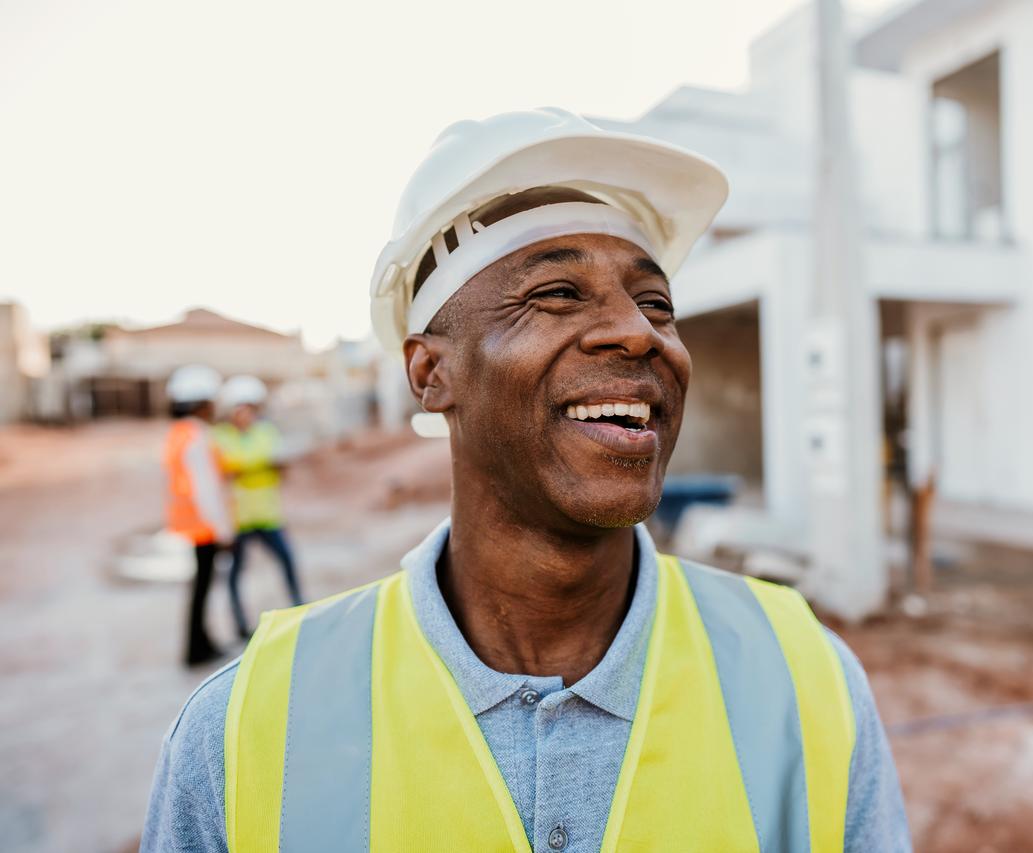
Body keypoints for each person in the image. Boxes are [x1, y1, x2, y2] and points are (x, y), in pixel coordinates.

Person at [143, 108, 911, 852]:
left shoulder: (806, 677)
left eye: (656, 303)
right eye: (558, 293)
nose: (639, 332)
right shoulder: (243, 733)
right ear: (430, 370)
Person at [212, 375, 303, 639]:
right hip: (238, 518)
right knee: (234, 573)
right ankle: (240, 624)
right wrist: (259, 463)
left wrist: (245, 466)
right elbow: (227, 468)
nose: (246, 414)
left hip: (267, 514)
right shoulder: (219, 437)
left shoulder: (266, 431)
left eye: (250, 408)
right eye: (241, 408)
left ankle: (300, 608)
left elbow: (280, 464)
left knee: (287, 560)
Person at [162, 364, 234, 668]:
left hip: (190, 524)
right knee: (201, 589)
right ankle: (196, 650)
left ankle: (200, 643)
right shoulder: (197, 436)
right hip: (204, 526)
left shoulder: (178, 433)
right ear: (202, 403)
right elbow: (206, 489)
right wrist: (224, 531)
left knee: (199, 588)